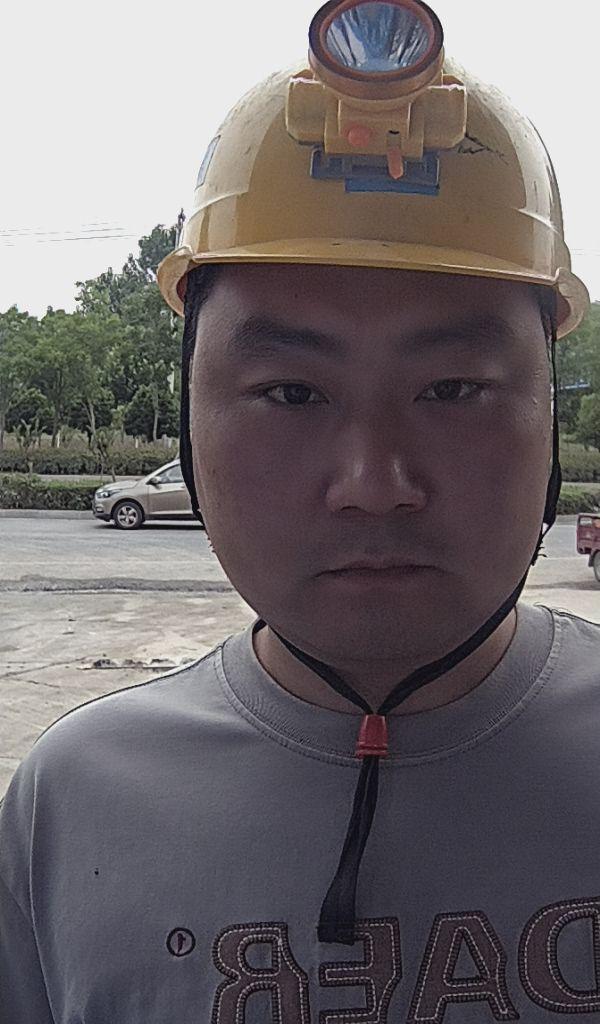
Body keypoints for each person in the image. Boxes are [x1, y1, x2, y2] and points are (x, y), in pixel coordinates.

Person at [1, 1, 597, 1021]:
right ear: (191, 416)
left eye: (453, 388)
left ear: (550, 409)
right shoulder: (71, 804)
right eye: (291, 392)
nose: (374, 481)